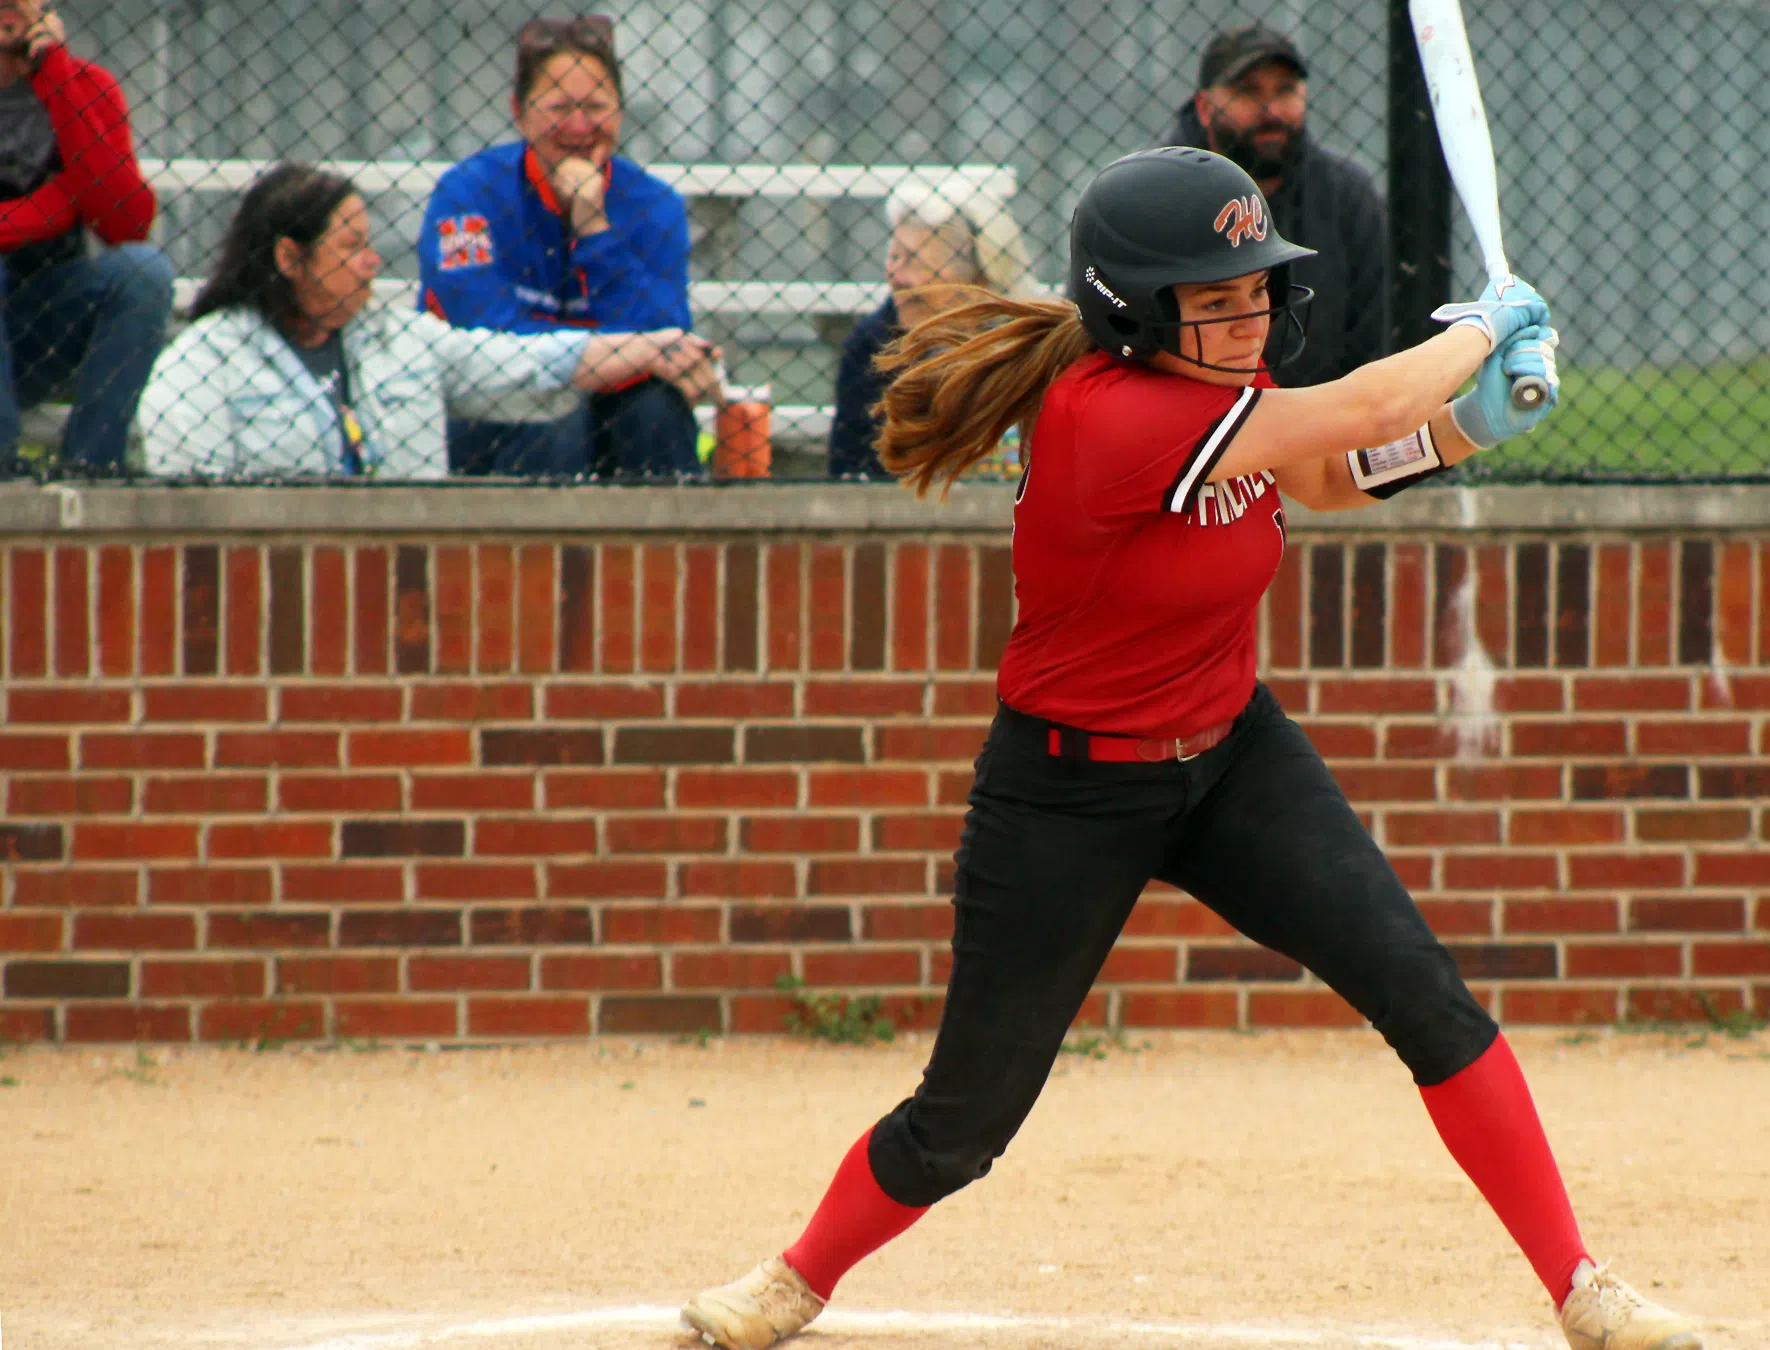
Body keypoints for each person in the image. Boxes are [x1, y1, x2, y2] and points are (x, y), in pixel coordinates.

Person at [677, 147, 1699, 1350]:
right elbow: (1367, 408)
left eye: (1256, 288)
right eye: (1214, 298)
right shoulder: (1108, 416)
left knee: (1425, 996)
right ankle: (795, 1279)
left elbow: (1330, 471)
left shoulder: (1222, 381)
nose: (1249, 315)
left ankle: (1581, 1285)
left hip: (1232, 759)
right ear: (1135, 311)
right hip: (1066, 791)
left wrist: (1466, 429)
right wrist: (1484, 326)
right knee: (965, 1121)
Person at [138, 164, 718, 479]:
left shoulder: (398, 339)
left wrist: (656, 347)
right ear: (290, 258)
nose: (372, 262)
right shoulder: (200, 365)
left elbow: (529, 363)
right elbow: (190, 510)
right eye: (351, 246)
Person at [417, 14, 700, 478]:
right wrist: (619, 354)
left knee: (655, 410)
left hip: (612, 404)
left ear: (620, 112)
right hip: (489, 411)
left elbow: (664, 333)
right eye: (558, 107)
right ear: (519, 112)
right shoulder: (466, 195)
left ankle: (676, 528)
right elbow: (486, 338)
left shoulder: (656, 205)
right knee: (555, 418)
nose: (578, 125)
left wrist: (593, 223)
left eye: (595, 106)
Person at [1158, 21, 1387, 390]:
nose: (1271, 110)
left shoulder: (1347, 194)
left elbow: (1373, 346)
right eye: (1247, 91)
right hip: (1185, 411)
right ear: (1204, 107)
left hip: (1323, 415)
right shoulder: (1151, 195)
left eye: (1285, 90)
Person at [0, 0, 172, 478]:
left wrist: (54, 73)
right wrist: (61, 204)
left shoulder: (86, 86)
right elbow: (75, 202)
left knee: (144, 272)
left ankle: (90, 472)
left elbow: (126, 224)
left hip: (40, 324)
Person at [827, 180, 1035, 480]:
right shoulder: (872, 347)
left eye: (913, 260)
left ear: (978, 280)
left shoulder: (1031, 347)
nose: (894, 275)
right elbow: (850, 468)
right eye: (894, 256)